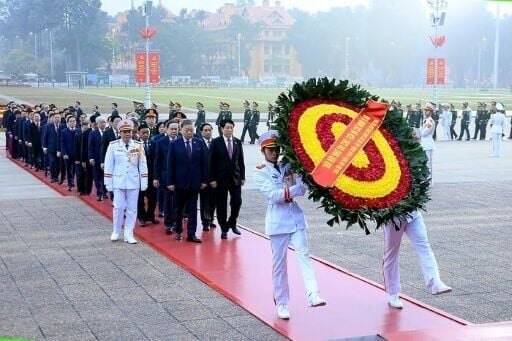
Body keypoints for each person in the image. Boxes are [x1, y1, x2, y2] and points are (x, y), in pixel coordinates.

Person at [253, 130, 326, 320]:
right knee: (279, 265)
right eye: (270, 150)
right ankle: (282, 303)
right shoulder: (260, 171)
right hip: (277, 221)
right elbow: (274, 196)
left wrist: (293, 189)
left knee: (304, 254)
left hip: (295, 217)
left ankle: (313, 293)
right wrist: (295, 189)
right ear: (263, 151)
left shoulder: (289, 165)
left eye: (277, 149)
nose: (275, 153)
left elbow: (303, 188)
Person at [383, 209, 452, 309]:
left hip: (413, 213)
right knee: (391, 254)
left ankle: (435, 282)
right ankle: (392, 293)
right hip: (393, 217)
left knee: (424, 246)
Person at [104, 119, 148, 244]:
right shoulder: (113, 145)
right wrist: (108, 183)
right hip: (118, 181)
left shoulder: (138, 145)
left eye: (129, 131)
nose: (127, 134)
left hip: (133, 181)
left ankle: (129, 233)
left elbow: (143, 165)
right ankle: (116, 230)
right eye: (124, 132)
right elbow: (109, 165)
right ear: (120, 133)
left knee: (132, 208)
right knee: (118, 207)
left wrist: (143, 182)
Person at [166, 119, 209, 243]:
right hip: (179, 183)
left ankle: (191, 234)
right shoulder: (175, 144)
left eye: (191, 130)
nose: (190, 132)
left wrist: (204, 180)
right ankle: (179, 231)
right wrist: (170, 182)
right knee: (178, 209)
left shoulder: (199, 143)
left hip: (195, 183)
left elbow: (204, 163)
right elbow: (170, 165)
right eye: (187, 130)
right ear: (181, 130)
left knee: (193, 210)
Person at [209, 119, 245, 239]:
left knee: (237, 202)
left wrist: (243, 177)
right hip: (220, 179)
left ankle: (232, 222)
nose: (229, 130)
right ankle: (224, 227)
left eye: (231, 127)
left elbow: (241, 161)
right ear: (222, 129)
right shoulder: (215, 142)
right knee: (221, 205)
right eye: (227, 128)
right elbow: (211, 163)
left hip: (235, 178)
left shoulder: (237, 142)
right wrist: (212, 179)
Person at [137, 124, 159, 226]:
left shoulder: (154, 143)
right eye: (143, 133)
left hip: (152, 175)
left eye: (147, 133)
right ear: (138, 133)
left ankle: (151, 215)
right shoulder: (135, 145)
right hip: (139, 176)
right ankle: (142, 217)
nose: (146, 135)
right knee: (140, 198)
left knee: (153, 197)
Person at [199, 123, 216, 231]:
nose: (208, 132)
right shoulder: (199, 144)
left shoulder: (216, 143)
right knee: (204, 201)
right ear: (201, 132)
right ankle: (205, 222)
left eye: (209, 130)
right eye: (205, 130)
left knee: (213, 201)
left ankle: (211, 219)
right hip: (203, 179)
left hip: (214, 179)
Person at [74, 120, 93, 196]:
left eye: (87, 128)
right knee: (80, 175)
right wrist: (77, 159)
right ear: (81, 128)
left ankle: (88, 190)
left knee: (89, 175)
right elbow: (76, 148)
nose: (86, 130)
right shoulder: (78, 136)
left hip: (88, 158)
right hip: (80, 159)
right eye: (84, 128)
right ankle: (81, 189)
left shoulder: (90, 136)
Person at [421, 103, 435, 185]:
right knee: (425, 163)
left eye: (427, 111)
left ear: (430, 112)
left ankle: (429, 181)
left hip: (428, 144)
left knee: (428, 163)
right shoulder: (426, 120)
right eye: (425, 110)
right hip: (424, 143)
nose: (425, 112)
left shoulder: (430, 121)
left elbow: (424, 133)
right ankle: (426, 179)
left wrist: (418, 133)